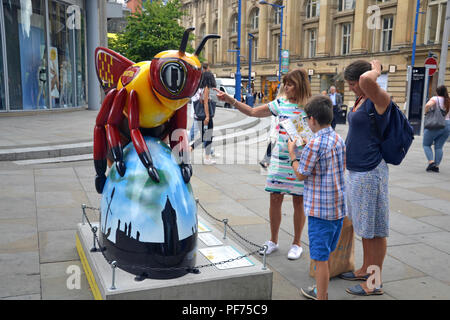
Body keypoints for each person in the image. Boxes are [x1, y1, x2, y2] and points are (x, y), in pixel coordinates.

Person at [215, 68, 313, 260]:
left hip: (300, 160)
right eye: (286, 82)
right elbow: (252, 112)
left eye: (290, 83)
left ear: (300, 85)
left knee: (298, 201)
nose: (286, 86)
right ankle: (273, 240)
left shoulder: (310, 106)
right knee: (275, 198)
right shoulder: (280, 103)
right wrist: (231, 101)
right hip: (279, 159)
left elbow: (321, 129)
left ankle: (297, 243)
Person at [338, 60, 390, 296]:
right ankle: (364, 270)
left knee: (372, 231)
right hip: (358, 171)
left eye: (352, 84)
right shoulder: (361, 100)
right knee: (365, 227)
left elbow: (368, 80)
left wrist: (376, 68)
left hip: (370, 172)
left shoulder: (378, 99)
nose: (350, 88)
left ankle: (374, 282)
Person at [287, 95, 346, 300]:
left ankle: (321, 296)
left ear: (312, 119)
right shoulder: (338, 139)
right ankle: (321, 290)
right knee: (326, 254)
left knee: (320, 258)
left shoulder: (314, 144)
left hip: (319, 212)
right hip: (337, 209)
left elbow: (301, 173)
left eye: (306, 119)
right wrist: (306, 146)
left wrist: (292, 153)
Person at [190, 63, 217, 165]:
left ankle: (189, 149)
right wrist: (207, 116)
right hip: (205, 116)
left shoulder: (199, 87)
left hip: (199, 115)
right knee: (208, 136)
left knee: (204, 137)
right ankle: (206, 158)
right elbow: (205, 103)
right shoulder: (206, 88)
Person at [422, 85, 450, 173]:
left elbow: (427, 105)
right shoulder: (448, 100)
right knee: (439, 147)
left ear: (437, 92)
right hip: (447, 125)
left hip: (435, 124)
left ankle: (431, 163)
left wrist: (426, 113)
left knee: (426, 144)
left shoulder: (435, 98)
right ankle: (436, 166)